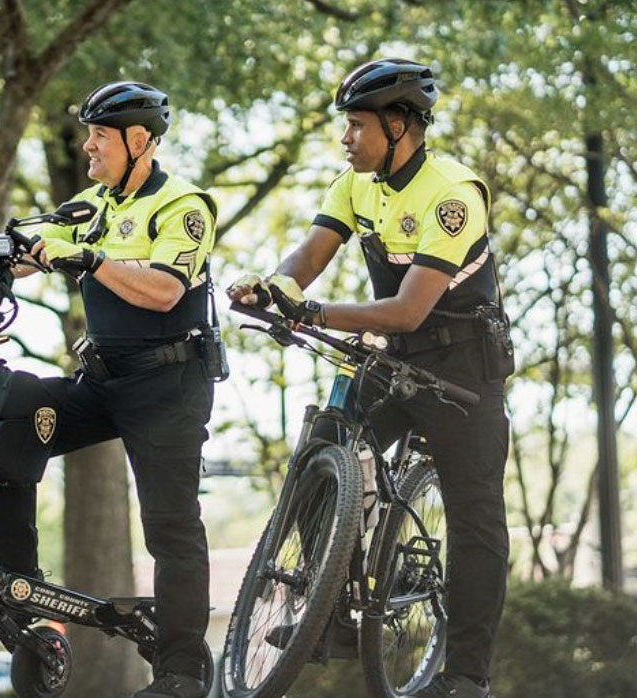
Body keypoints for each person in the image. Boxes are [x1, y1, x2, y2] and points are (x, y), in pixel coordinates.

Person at [0, 81, 219, 698]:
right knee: (7, 423)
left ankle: (181, 671)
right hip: (103, 379)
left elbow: (164, 291)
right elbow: (20, 249)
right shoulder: (92, 202)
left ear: (139, 141)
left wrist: (89, 259)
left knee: (171, 527)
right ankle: (20, 589)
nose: (88, 146)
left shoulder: (183, 205)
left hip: (170, 385)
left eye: (100, 136)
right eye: (90, 134)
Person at [228, 58, 512, 698]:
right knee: (322, 449)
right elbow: (309, 255)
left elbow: (410, 307)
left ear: (400, 124)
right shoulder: (354, 185)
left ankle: (467, 677)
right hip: (395, 360)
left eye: (356, 125)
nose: (345, 137)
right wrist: (273, 289)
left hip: (465, 370)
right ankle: (327, 608)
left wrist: (315, 311)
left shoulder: (452, 193)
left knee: (478, 521)